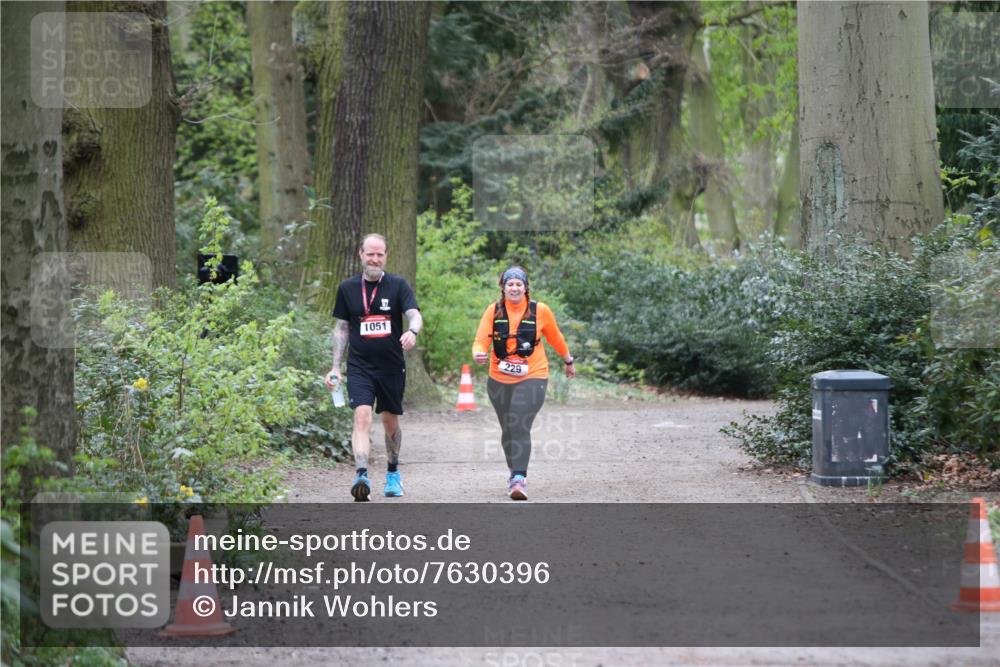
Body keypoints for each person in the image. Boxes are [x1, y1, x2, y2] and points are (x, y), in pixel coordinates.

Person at [326, 234, 422, 501]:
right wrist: (335, 367)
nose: (375, 259)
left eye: (380, 254)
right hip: (359, 367)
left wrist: (413, 331)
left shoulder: (398, 285)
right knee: (362, 417)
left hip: (391, 367)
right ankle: (361, 474)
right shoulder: (347, 288)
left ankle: (392, 474)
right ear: (361, 254)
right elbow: (342, 328)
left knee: (390, 421)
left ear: (386, 256)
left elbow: (414, 314)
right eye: (370, 254)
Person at [472, 266, 575, 500]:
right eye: (510, 284)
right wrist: (478, 353)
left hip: (533, 375)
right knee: (508, 429)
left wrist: (568, 360)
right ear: (503, 287)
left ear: (525, 287)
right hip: (498, 378)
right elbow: (480, 340)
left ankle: (519, 478)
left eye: (519, 284)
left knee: (519, 423)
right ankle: (513, 473)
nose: (515, 288)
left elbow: (555, 337)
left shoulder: (541, 311)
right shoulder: (494, 311)